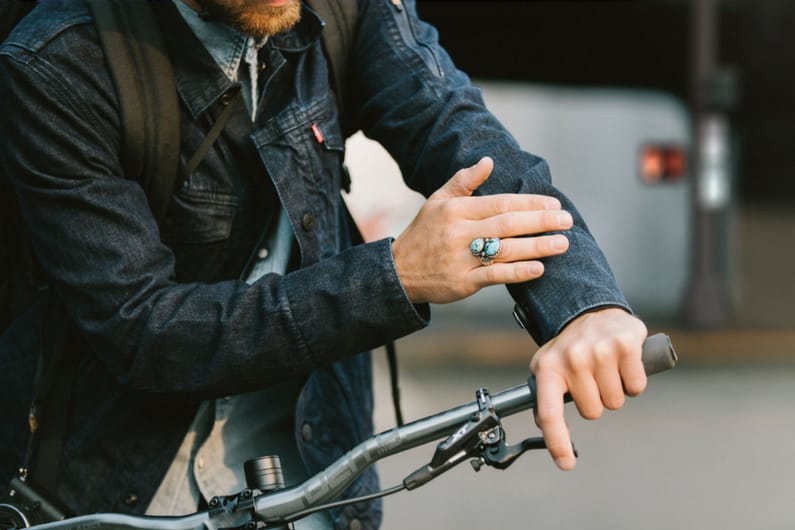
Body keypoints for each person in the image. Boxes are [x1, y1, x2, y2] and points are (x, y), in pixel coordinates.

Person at [0, 1, 648, 529]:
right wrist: (393, 277)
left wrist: (582, 307)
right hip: (123, 488)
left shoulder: (345, 9)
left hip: (313, 473)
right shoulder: (58, 62)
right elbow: (145, 330)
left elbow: (459, 132)